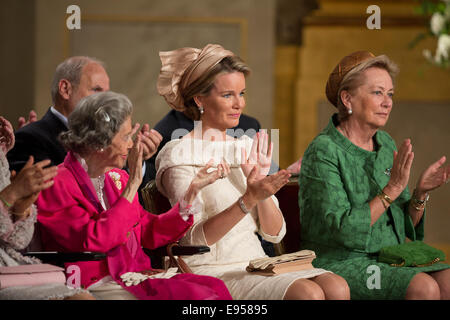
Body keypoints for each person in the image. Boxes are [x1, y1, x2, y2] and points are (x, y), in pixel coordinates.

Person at [155, 44, 350, 300]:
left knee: (338, 287)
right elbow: (191, 241)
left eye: (242, 93)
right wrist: (247, 199)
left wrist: (263, 193)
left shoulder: (245, 147)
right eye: (228, 95)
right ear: (199, 99)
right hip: (210, 269)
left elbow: (274, 233)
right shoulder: (178, 152)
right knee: (308, 294)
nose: (239, 104)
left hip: (256, 263)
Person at [35, 91, 232, 300]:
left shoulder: (115, 177)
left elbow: (149, 231)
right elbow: (93, 240)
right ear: (101, 140)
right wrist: (133, 184)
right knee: (197, 296)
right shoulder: (56, 183)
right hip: (94, 281)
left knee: (216, 286)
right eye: (126, 136)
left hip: (133, 274)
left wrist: (192, 191)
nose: (131, 145)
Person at [298, 51, 450, 300]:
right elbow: (343, 232)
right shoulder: (324, 150)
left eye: (390, 94)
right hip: (341, 261)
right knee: (425, 288)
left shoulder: (385, 143)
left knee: (447, 282)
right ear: (347, 99)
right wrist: (391, 189)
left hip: (392, 257)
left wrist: (420, 193)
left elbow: (404, 228)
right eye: (378, 93)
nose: (388, 102)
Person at [0, 116, 93, 300]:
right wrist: (11, 194)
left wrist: (22, 205)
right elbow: (93, 236)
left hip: (10, 269)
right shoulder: (64, 177)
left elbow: (19, 240)